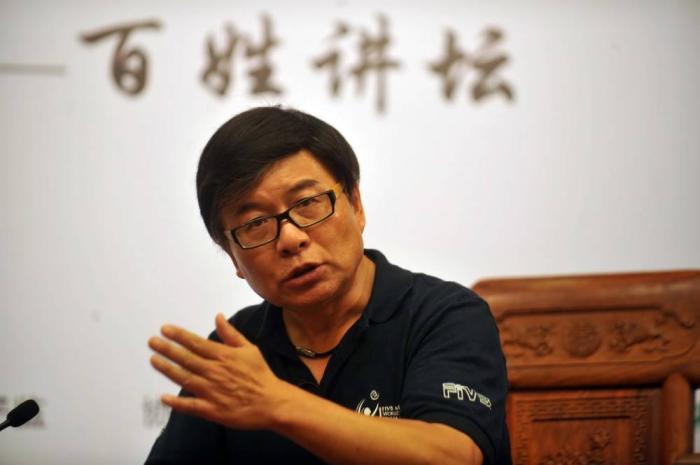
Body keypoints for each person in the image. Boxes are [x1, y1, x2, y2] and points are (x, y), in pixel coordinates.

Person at [145, 106, 512, 465]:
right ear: (233, 258)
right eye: (255, 224)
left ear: (356, 204)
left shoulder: (445, 314)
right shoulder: (236, 349)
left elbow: (453, 454)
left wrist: (276, 402)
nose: (291, 239)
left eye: (307, 203)